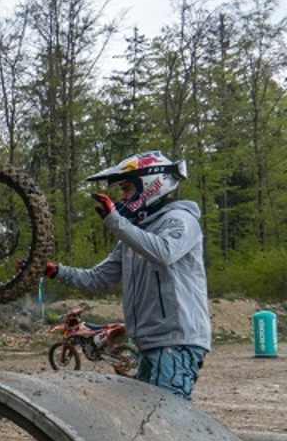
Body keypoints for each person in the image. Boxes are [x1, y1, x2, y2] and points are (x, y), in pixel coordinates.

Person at [45, 151, 211, 399]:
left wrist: (116, 222)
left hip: (175, 341)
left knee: (162, 421)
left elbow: (165, 252)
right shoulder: (134, 235)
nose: (122, 197)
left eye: (126, 188)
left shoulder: (179, 219)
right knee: (149, 425)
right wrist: (56, 270)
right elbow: (98, 278)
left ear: (151, 185)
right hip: (149, 343)